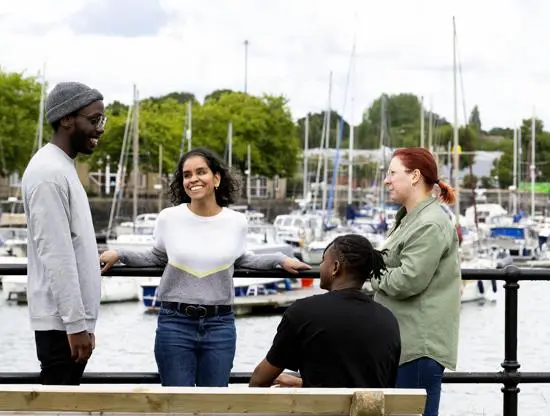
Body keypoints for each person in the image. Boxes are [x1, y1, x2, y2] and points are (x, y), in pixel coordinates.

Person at [99, 148, 310, 387]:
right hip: (174, 323)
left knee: (215, 405)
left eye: (201, 172)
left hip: (220, 324)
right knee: (177, 405)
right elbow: (157, 256)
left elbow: (242, 258)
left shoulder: (236, 221)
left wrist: (280, 260)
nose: (193, 179)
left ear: (217, 178)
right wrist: (119, 253)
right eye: (187, 175)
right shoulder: (169, 218)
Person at [21, 81, 106, 385]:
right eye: (94, 120)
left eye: (102, 120)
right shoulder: (48, 173)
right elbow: (56, 254)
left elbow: (72, 242)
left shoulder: (62, 167)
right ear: (67, 118)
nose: (100, 129)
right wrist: (76, 326)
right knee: (59, 403)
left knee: (66, 403)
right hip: (62, 325)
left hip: (70, 322)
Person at [372, 147, 461, 416]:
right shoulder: (411, 218)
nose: (387, 180)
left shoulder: (429, 223)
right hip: (405, 345)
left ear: (414, 177)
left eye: (392, 173)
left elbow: (407, 280)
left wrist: (369, 273)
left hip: (418, 347)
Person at [250, 234, 401, 388]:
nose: (320, 266)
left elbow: (260, 379)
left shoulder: (303, 312)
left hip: (317, 410)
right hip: (368, 410)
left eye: (323, 260)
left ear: (335, 267)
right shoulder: (388, 320)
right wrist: (302, 384)